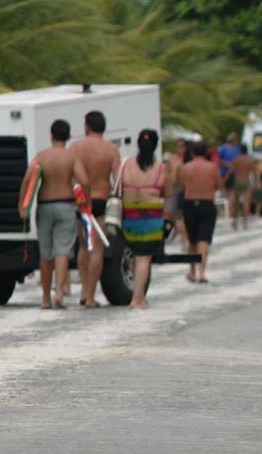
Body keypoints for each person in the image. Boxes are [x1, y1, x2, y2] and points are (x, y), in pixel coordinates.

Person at [19, 119, 88, 309]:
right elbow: (84, 180)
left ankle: (45, 298)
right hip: (66, 205)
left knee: (45, 253)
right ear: (68, 136)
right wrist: (86, 202)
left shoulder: (42, 156)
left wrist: (22, 205)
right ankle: (59, 293)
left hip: (45, 206)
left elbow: (27, 179)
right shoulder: (71, 157)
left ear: (51, 135)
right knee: (62, 251)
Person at [70, 110, 120, 309]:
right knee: (97, 250)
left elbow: (71, 176)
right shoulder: (111, 149)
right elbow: (117, 179)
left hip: (81, 200)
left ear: (87, 126)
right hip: (101, 200)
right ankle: (90, 296)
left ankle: (84, 291)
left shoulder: (75, 147)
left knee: (83, 247)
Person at [120, 129, 170, 309]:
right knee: (144, 259)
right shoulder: (160, 168)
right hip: (151, 220)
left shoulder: (126, 165)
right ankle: (137, 299)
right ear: (155, 146)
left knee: (136, 256)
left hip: (129, 218)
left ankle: (140, 297)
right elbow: (167, 192)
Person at [178, 140, 220, 284]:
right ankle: (202, 272)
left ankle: (192, 271)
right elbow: (218, 184)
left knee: (192, 240)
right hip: (207, 203)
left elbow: (181, 187)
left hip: (190, 203)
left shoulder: (185, 167)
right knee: (204, 240)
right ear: (206, 152)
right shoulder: (213, 167)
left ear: (192, 152)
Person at [164, 138, 191, 249]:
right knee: (172, 214)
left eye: (182, 146)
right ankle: (178, 234)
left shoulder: (188, 159)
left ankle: (184, 239)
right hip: (174, 189)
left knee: (182, 216)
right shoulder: (172, 159)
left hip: (186, 189)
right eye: (178, 146)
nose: (180, 149)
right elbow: (166, 174)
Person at [225, 144, 256, 230]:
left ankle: (235, 221)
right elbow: (254, 172)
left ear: (240, 151)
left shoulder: (236, 159)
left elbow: (230, 171)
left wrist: (224, 180)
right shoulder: (250, 160)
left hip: (238, 181)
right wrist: (257, 182)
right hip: (246, 181)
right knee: (246, 202)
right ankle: (245, 223)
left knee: (236, 202)